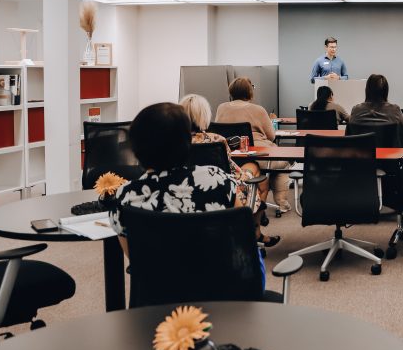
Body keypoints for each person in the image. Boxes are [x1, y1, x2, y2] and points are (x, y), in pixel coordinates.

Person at [107, 103, 265, 290]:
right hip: (224, 296)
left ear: (135, 148)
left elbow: (139, 264)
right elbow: (243, 241)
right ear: (186, 143)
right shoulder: (217, 179)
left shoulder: (124, 197)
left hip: (161, 305)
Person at [180, 93, 279, 247]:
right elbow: (232, 172)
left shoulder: (176, 142)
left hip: (187, 194)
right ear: (205, 115)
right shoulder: (216, 140)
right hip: (222, 193)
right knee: (260, 179)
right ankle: (255, 231)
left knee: (253, 171)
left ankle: (255, 230)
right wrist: (247, 174)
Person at [214, 77, 292, 212]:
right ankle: (282, 203)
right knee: (283, 163)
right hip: (259, 155)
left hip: (230, 156)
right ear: (250, 92)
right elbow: (272, 136)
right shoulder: (258, 109)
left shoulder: (221, 107)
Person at [348, 73, 403, 138]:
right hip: (390, 148)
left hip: (363, 148)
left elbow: (349, 135)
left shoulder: (356, 110)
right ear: (386, 91)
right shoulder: (395, 110)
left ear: (367, 90)